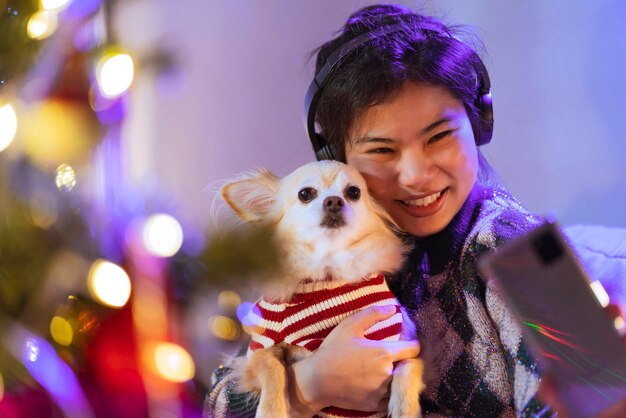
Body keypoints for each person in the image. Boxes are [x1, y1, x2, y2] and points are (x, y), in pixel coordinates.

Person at [204, 4, 623, 417]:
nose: (416, 174)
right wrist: (310, 386)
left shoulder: (514, 245)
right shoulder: (329, 257)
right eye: (383, 150)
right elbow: (218, 402)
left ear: (479, 123)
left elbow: (592, 398)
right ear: (336, 157)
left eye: (438, 136)